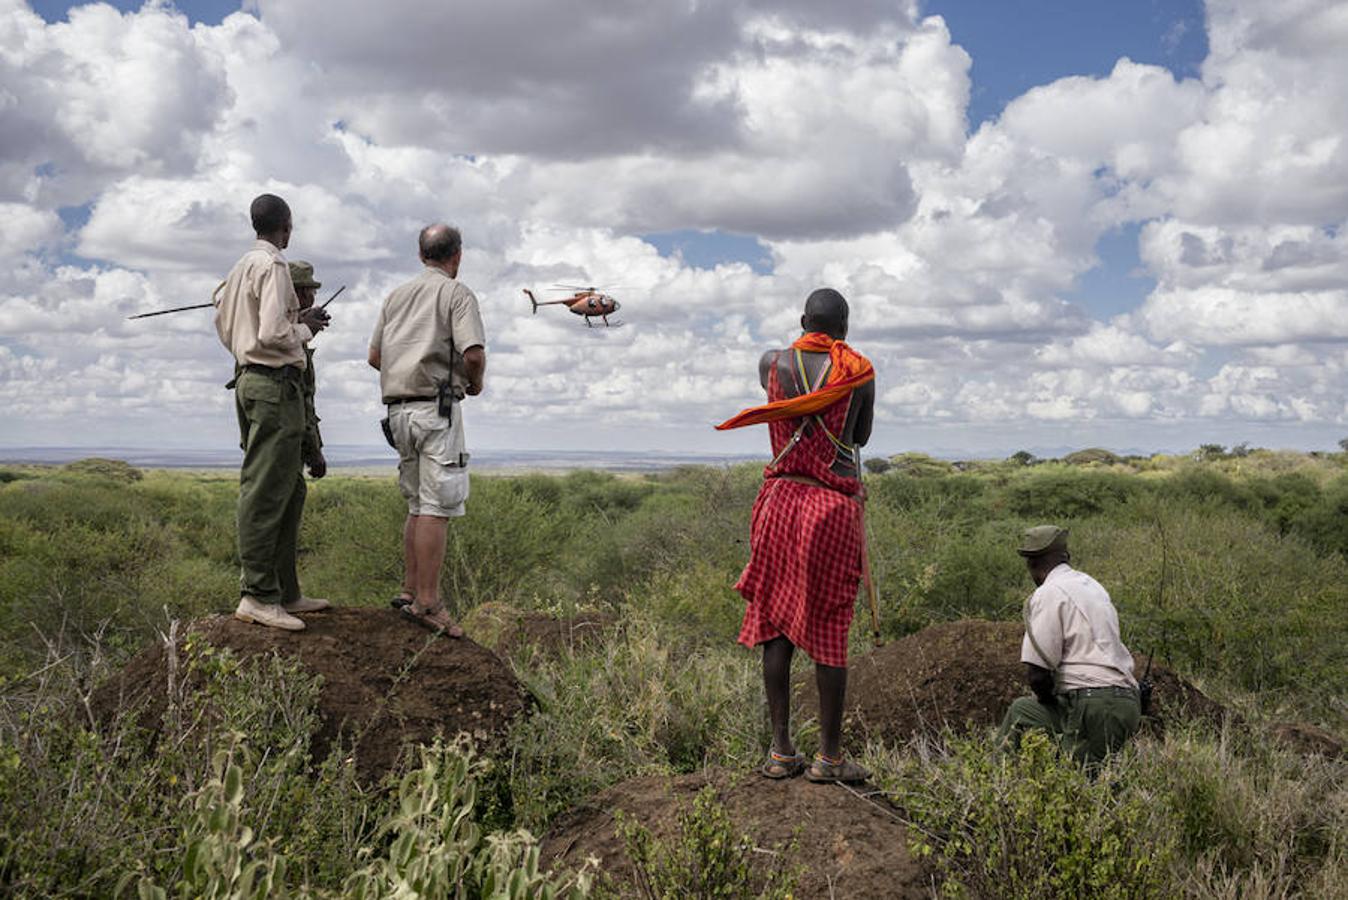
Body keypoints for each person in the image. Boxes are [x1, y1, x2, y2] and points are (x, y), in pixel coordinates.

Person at [716, 288, 876, 784]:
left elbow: (784, 383)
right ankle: (829, 759)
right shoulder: (860, 373)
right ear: (845, 327)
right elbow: (861, 436)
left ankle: (782, 752)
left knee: (775, 625)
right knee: (829, 629)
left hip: (780, 503)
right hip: (830, 510)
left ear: (803, 319)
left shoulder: (772, 362)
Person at [214, 194, 332, 631]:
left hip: (251, 378)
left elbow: (226, 323)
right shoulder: (274, 265)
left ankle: (284, 591)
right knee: (265, 492)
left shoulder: (240, 267)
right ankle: (259, 597)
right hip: (271, 383)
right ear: (287, 226)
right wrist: (306, 327)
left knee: (286, 489)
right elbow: (273, 331)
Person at [368, 223, 486, 637]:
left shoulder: (395, 296)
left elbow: (374, 356)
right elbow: (472, 353)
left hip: (398, 411)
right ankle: (429, 603)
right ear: (457, 256)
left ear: (422, 255)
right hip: (436, 409)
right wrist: (474, 383)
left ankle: (409, 590)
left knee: (417, 503)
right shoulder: (456, 293)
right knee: (437, 506)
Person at [997, 525, 1142, 767]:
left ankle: (998, 789)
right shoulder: (1092, 585)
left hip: (1092, 706)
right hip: (1127, 702)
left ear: (1031, 564)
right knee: (1022, 710)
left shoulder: (1049, 592)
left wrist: (1054, 698)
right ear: (1066, 556)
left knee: (1079, 782)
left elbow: (1037, 675)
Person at [288, 260, 327, 480]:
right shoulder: (287, 344)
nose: (313, 299)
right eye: (311, 292)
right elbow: (303, 401)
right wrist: (315, 452)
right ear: (302, 294)